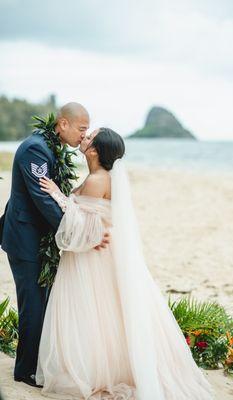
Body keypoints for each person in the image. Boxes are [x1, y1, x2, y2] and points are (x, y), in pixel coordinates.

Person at [36, 127, 215, 399]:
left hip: (94, 255)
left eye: (89, 136)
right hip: (92, 252)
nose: (84, 137)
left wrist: (57, 195)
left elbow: (83, 223)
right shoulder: (97, 176)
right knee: (100, 312)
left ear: (95, 150)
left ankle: (99, 369)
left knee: (95, 310)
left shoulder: (98, 179)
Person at [0, 103, 108, 388]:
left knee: (40, 301)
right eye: (81, 129)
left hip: (36, 237)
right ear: (63, 124)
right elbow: (43, 200)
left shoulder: (51, 147)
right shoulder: (36, 149)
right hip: (25, 238)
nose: (83, 136)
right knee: (34, 305)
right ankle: (25, 372)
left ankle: (34, 363)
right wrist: (81, 232)